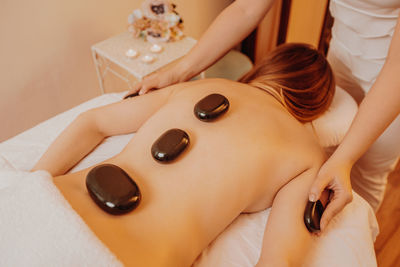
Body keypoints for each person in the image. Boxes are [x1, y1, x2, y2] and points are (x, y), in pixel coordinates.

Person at [33, 43, 334, 266]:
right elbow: (279, 263)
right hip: (128, 256)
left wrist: (30, 182)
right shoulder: (306, 154)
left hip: (47, 204)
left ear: (265, 69)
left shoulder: (202, 86)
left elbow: (92, 122)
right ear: (316, 107)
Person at [126, 0, 400, 231]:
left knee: (367, 174)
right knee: (327, 167)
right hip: (341, 58)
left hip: (393, 82)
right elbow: (247, 7)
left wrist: (346, 158)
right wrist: (178, 71)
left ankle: (360, 241)